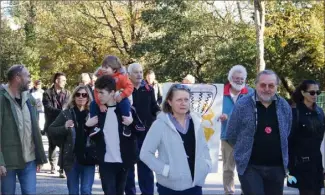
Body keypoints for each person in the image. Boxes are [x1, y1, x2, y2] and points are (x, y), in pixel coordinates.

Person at [226, 70, 292, 195]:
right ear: (256, 85)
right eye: (263, 85)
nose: (266, 89)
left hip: (277, 168)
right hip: (250, 167)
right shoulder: (242, 105)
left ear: (276, 87)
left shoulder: (284, 106)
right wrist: (243, 150)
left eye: (271, 85)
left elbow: (286, 131)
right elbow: (231, 134)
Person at [140, 83, 211, 195]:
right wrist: (165, 170)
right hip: (170, 187)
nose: (183, 103)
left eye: (186, 99)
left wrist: (206, 164)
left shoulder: (196, 122)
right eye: (179, 100)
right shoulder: (160, 124)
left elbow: (204, 147)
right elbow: (145, 153)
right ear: (169, 102)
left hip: (195, 184)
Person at [86, 75, 140, 195]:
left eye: (102, 93)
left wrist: (132, 123)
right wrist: (87, 126)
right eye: (97, 92)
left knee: (120, 192)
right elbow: (86, 135)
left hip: (123, 161)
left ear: (112, 93)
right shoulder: (97, 110)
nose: (98, 96)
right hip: (105, 161)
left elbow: (141, 132)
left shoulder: (125, 109)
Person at [0, 65, 47, 195]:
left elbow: (35, 130)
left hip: (29, 161)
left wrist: (39, 157)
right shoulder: (2, 98)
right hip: (8, 162)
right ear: (17, 78)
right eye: (27, 76)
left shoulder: (29, 99)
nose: (29, 79)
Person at [48, 85, 96, 195]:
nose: (81, 97)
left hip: (89, 158)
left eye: (84, 95)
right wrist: (64, 127)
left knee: (86, 190)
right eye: (78, 95)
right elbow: (51, 130)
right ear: (73, 97)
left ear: (88, 98)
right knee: (73, 192)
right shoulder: (66, 113)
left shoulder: (93, 114)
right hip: (71, 158)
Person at [125, 63, 161, 195]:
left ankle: (147, 192)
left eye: (141, 72)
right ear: (129, 75)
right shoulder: (124, 90)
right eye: (136, 72)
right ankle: (130, 192)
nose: (139, 74)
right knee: (128, 167)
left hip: (146, 132)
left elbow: (154, 106)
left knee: (145, 165)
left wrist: (159, 113)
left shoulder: (148, 89)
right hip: (128, 133)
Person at [218, 65, 252, 195]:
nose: (239, 80)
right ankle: (229, 192)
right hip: (226, 135)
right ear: (230, 78)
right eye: (236, 78)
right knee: (228, 168)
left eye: (242, 78)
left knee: (246, 168)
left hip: (246, 136)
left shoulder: (251, 93)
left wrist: (229, 116)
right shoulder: (220, 93)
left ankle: (247, 191)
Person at [288, 80, 325, 195]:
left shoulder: (320, 112)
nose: (315, 95)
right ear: (303, 93)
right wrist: (289, 166)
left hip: (318, 163)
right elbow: (289, 140)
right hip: (302, 164)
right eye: (312, 92)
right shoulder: (295, 112)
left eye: (317, 93)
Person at [91, 55, 133, 137]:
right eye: (103, 67)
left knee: (125, 103)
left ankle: (126, 125)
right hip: (105, 100)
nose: (103, 69)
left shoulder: (121, 77)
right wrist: (100, 104)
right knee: (93, 104)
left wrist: (122, 95)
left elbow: (130, 87)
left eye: (106, 67)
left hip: (117, 98)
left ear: (114, 69)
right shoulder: (101, 78)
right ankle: (94, 125)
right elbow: (96, 91)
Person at [43, 72, 70, 177]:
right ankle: (53, 165)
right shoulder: (47, 93)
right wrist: (61, 113)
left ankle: (62, 168)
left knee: (63, 146)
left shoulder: (67, 93)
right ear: (56, 80)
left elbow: (67, 106)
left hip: (63, 124)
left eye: (65, 80)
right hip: (51, 123)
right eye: (62, 80)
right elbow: (48, 108)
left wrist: (63, 114)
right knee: (52, 145)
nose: (64, 82)